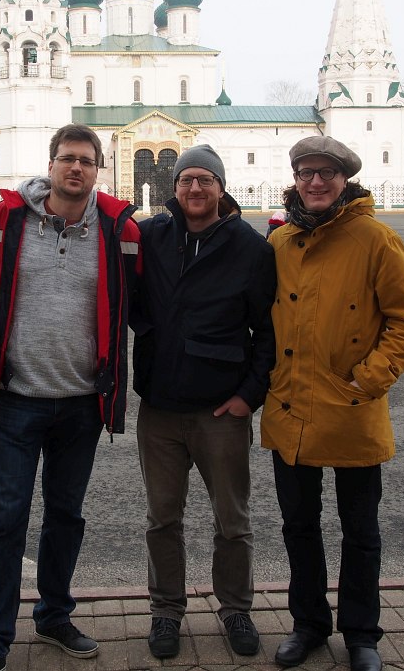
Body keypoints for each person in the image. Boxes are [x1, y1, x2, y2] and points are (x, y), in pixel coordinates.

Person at [0, 124, 141, 671]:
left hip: (80, 404)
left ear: (98, 169)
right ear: (50, 164)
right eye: (67, 159)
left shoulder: (118, 229)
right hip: (17, 399)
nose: (76, 169)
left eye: (87, 161)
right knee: (4, 518)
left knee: (66, 515)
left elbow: (148, 297)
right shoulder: (5, 221)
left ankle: (54, 615)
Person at [264, 136, 404, 671]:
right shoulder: (280, 244)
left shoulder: (375, 240)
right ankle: (309, 623)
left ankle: (362, 634)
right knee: (299, 526)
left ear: (344, 181)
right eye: (306, 172)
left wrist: (368, 380)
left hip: (351, 407)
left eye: (326, 174)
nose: (315, 182)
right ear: (295, 179)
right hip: (291, 407)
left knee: (360, 531)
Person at [132, 145, 276, 660]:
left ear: (221, 187)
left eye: (205, 180)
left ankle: (235, 608)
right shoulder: (149, 238)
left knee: (231, 520)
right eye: (187, 179)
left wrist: (248, 396)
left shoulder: (250, 248)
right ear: (174, 187)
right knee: (162, 518)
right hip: (162, 409)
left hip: (221, 409)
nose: (195, 189)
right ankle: (166, 611)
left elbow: (268, 331)